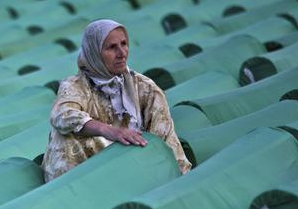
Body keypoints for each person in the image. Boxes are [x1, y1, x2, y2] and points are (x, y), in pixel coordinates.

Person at [42, 19, 192, 182]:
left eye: (124, 44)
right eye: (112, 47)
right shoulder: (75, 86)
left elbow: (165, 138)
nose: (122, 53)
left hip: (130, 167)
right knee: (66, 134)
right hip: (89, 171)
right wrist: (107, 130)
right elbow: (61, 114)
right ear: (94, 53)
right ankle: (68, 191)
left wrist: (181, 180)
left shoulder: (145, 88)